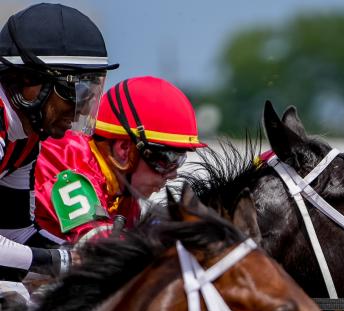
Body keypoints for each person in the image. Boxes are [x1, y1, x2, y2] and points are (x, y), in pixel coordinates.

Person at [0, 3, 116, 280]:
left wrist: (86, 257)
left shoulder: (26, 140)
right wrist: (65, 261)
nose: (82, 108)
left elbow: (15, 233)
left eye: (89, 93)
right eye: (72, 91)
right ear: (28, 79)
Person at [34, 76, 204, 243]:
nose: (173, 174)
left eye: (179, 159)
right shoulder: (67, 164)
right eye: (166, 159)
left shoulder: (125, 194)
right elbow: (101, 251)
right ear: (124, 150)